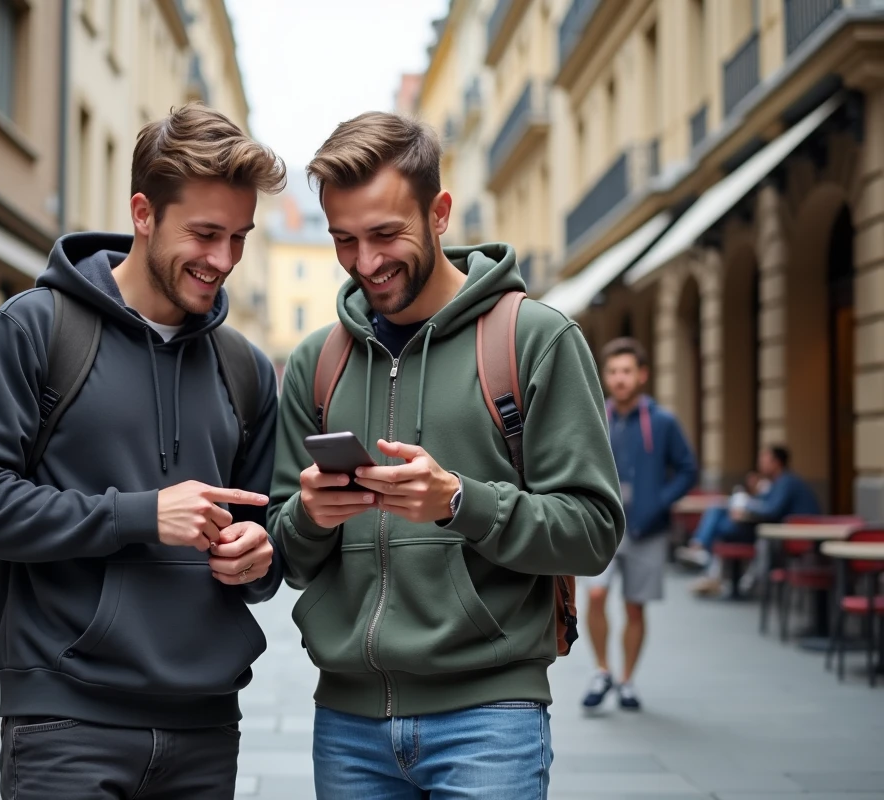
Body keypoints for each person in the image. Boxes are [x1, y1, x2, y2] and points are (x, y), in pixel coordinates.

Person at [0, 104, 286, 800]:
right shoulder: (34, 328)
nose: (223, 261)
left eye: (238, 238)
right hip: (65, 721)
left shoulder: (245, 368)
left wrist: (258, 557)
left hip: (207, 726)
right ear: (144, 212)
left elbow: (261, 536)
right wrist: (139, 515)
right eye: (206, 234)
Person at [268, 112, 624, 799]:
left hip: (489, 720)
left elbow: (594, 532)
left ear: (439, 213)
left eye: (384, 235)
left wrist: (462, 502)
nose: (365, 262)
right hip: (346, 723)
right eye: (343, 239)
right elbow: (290, 553)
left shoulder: (535, 339)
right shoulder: (316, 362)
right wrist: (310, 516)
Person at [583, 337, 698, 712]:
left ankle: (627, 681)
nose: (619, 379)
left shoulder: (662, 421)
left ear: (642, 375)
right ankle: (602, 671)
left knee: (635, 608)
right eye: (613, 371)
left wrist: (658, 504)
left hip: (647, 529)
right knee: (596, 596)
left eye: (627, 371)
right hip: (603, 526)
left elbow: (687, 469)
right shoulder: (595, 416)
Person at [684, 445, 820, 596]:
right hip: (773, 532)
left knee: (722, 523)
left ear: (777, 462)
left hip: (791, 537)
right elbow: (764, 505)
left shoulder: (786, 481)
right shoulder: (776, 482)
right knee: (719, 511)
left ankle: (703, 553)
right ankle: (706, 558)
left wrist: (746, 508)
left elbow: (771, 510)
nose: (760, 463)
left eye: (764, 459)